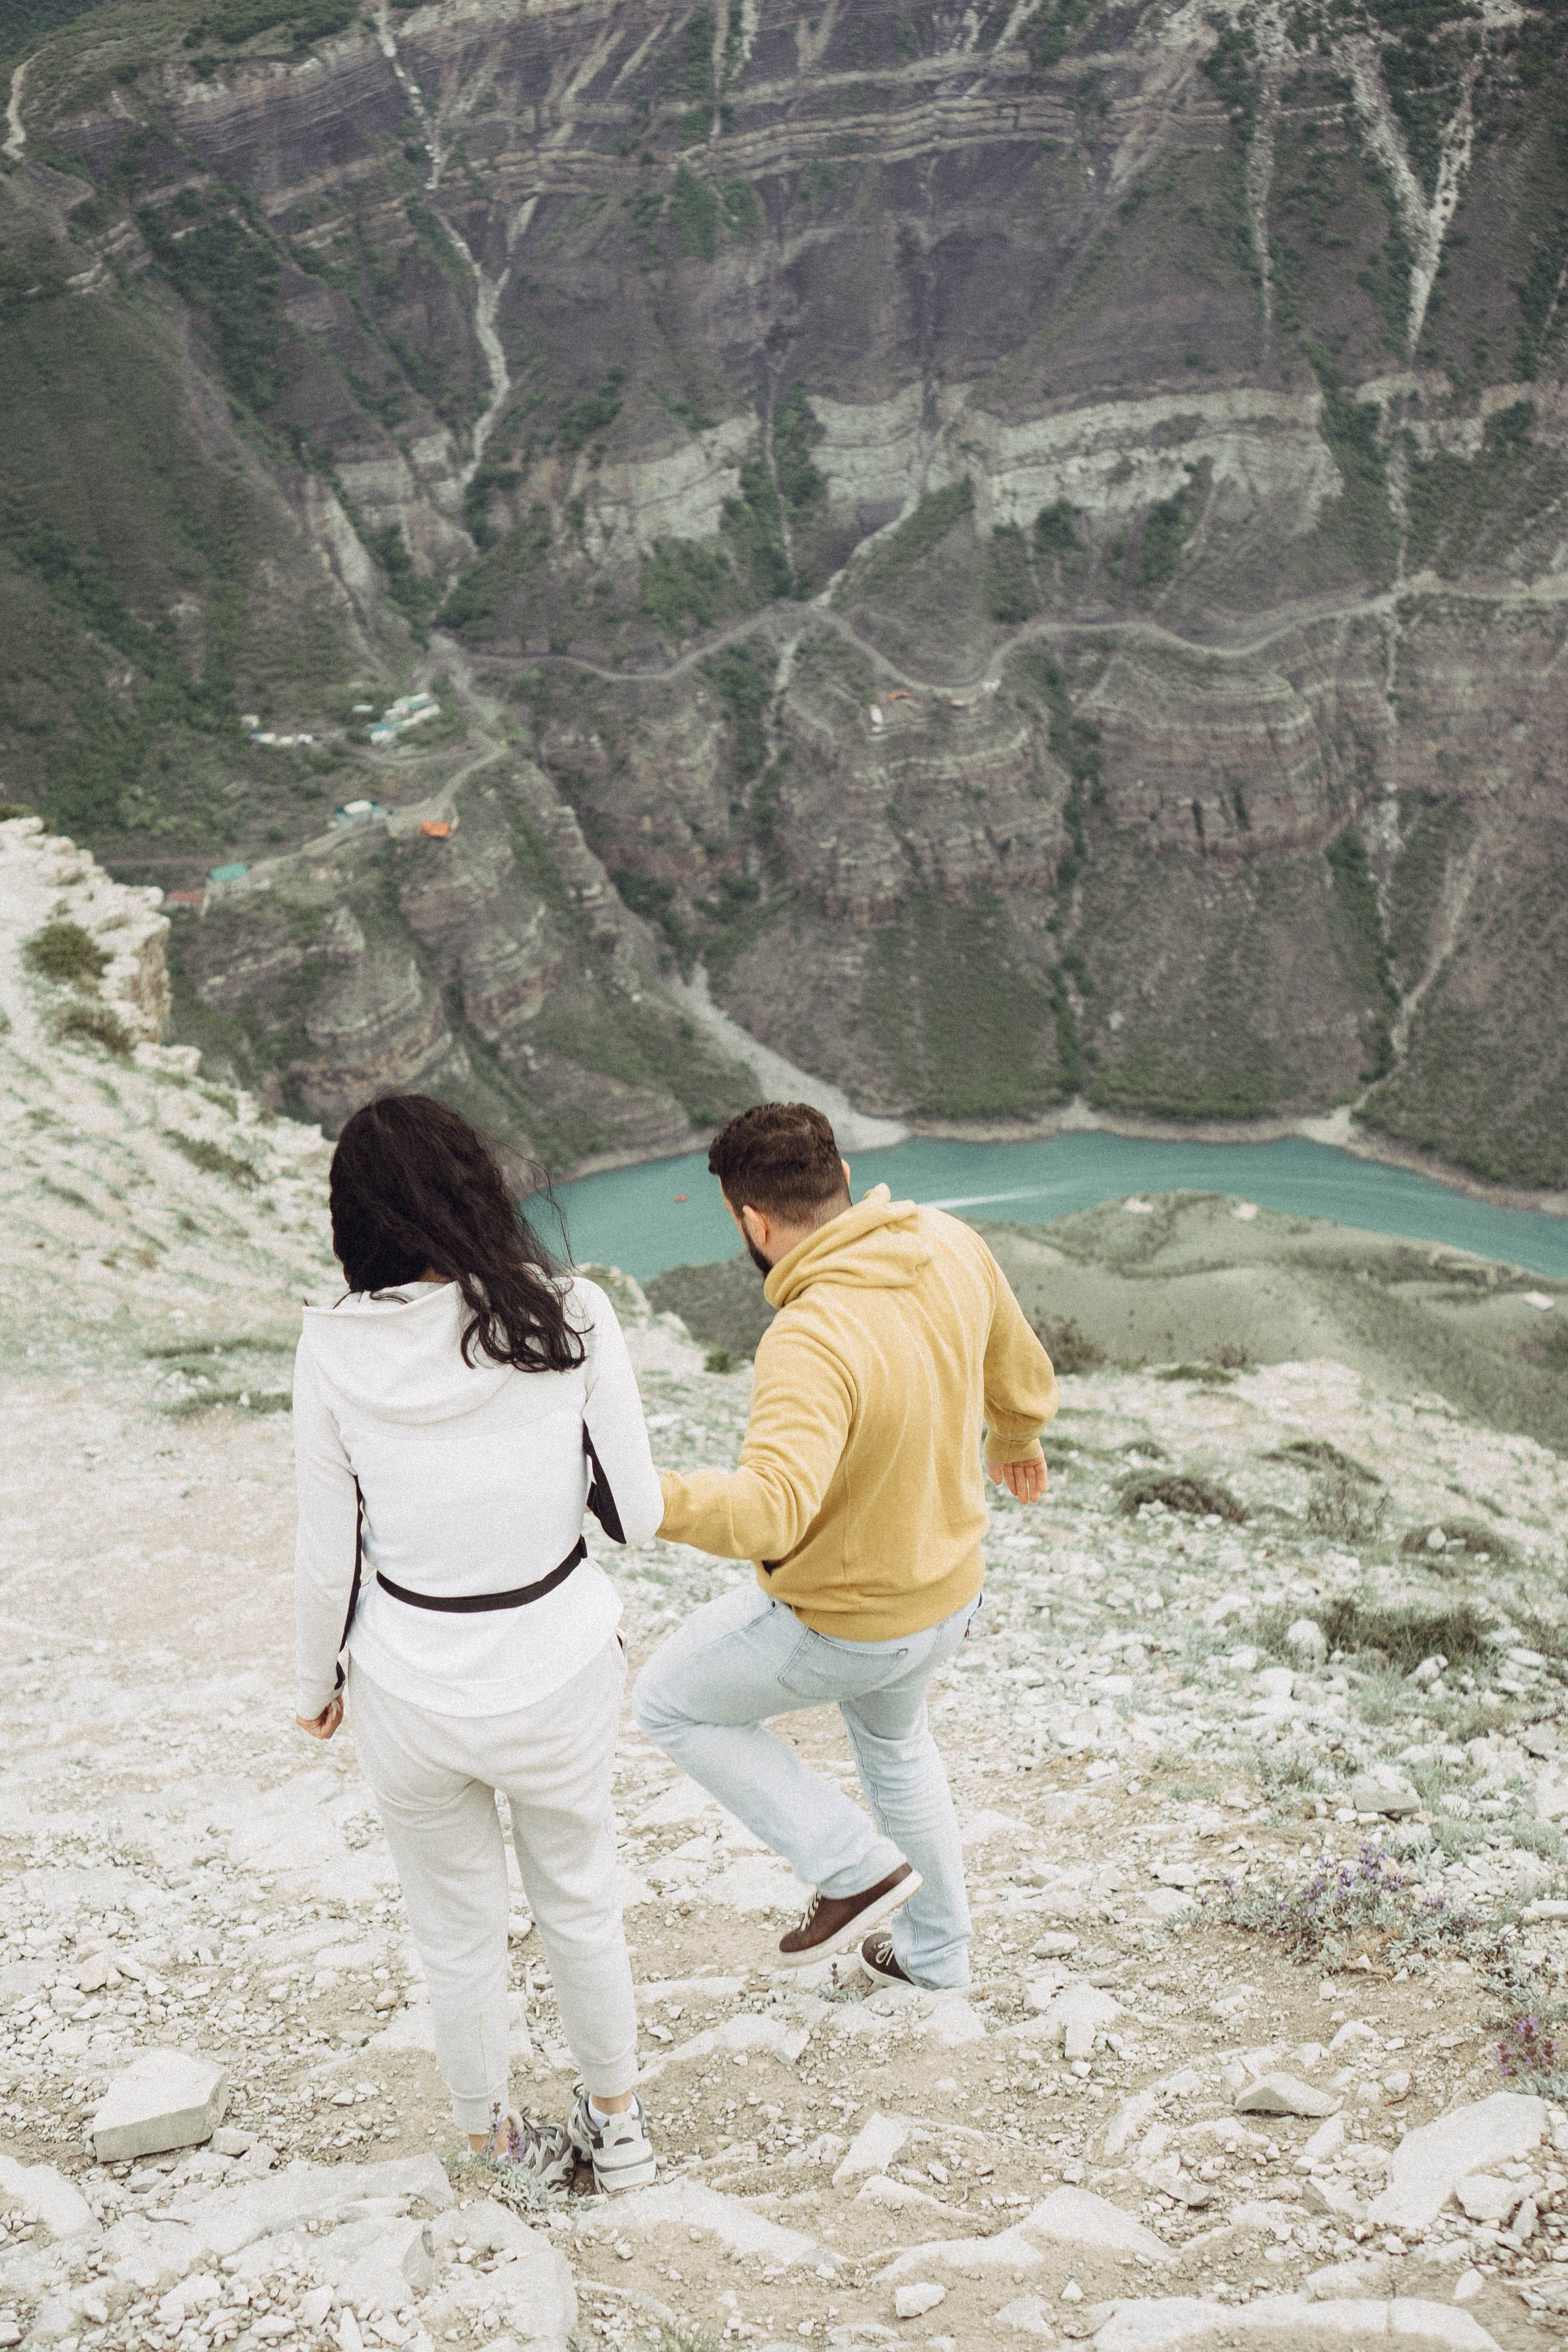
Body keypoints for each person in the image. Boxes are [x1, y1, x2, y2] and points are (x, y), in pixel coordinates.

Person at [292, 1093, 662, 2193]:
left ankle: (495, 2146)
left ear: (352, 1219)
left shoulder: (330, 1348)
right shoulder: (570, 1312)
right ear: (478, 1188)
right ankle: (621, 2132)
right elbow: (635, 1518)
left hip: (409, 1681)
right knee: (581, 1902)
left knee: (455, 1930)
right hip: (557, 1662)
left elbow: (327, 1553)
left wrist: (317, 1682)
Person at [635, 1102, 1058, 1991]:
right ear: (845, 1184)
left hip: (853, 1624)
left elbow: (768, 1515)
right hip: (947, 1595)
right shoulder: (946, 1239)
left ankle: (852, 1868)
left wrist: (644, 1499)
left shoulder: (810, 1334)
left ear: (752, 1220)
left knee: (671, 1702)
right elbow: (1015, 1360)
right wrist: (1015, 1438)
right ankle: (935, 1956)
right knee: (898, 1753)